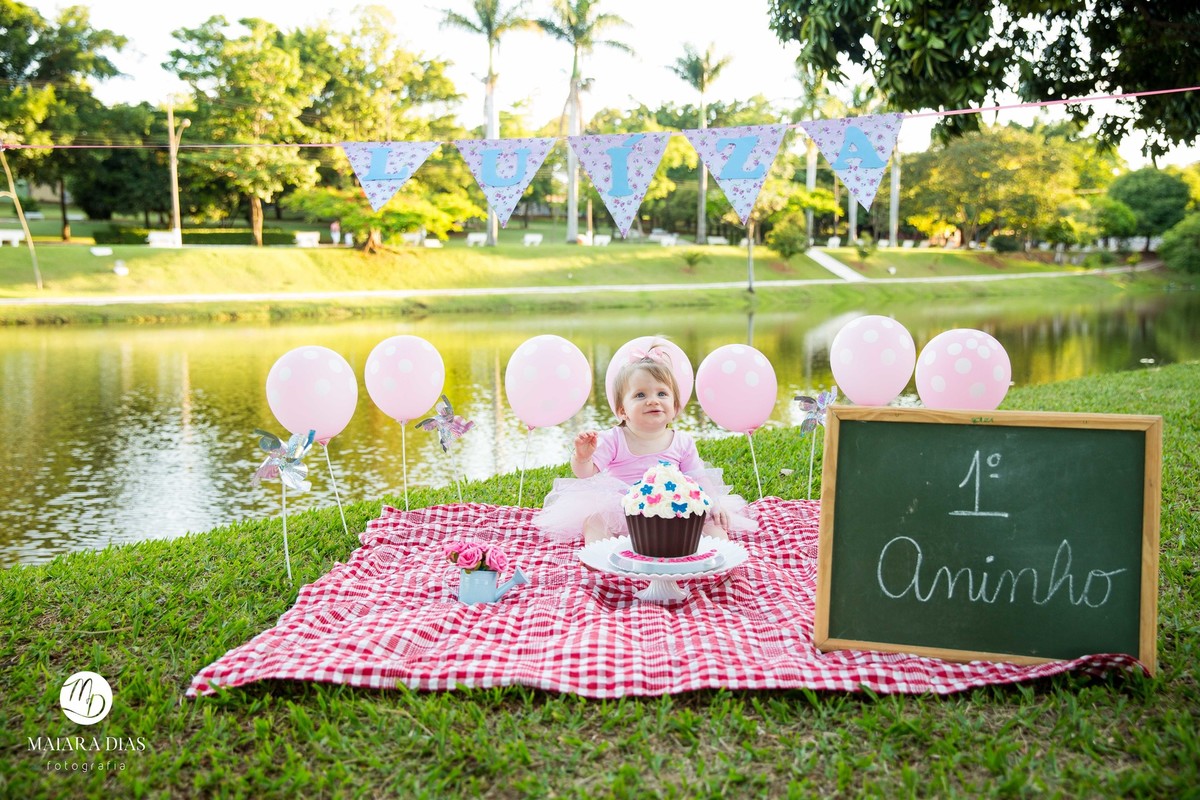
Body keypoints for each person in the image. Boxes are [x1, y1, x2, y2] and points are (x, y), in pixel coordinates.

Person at [534, 343, 755, 544]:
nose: (652, 400)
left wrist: (713, 503)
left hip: (672, 509)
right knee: (595, 520)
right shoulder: (614, 439)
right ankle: (599, 557)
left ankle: (718, 554)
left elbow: (698, 477)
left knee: (710, 520)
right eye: (640, 395)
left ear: (675, 407)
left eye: (662, 393)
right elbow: (586, 474)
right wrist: (582, 457)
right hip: (624, 512)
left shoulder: (682, 442)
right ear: (622, 411)